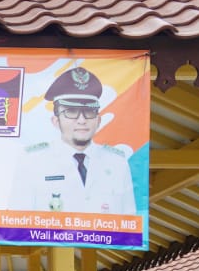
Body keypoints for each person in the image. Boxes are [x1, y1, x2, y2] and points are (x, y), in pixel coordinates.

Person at [10, 66, 137, 215]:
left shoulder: (117, 163)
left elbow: (130, 225)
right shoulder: (32, 161)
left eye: (89, 111)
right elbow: (17, 223)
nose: (82, 120)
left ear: (98, 120)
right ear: (55, 121)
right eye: (71, 112)